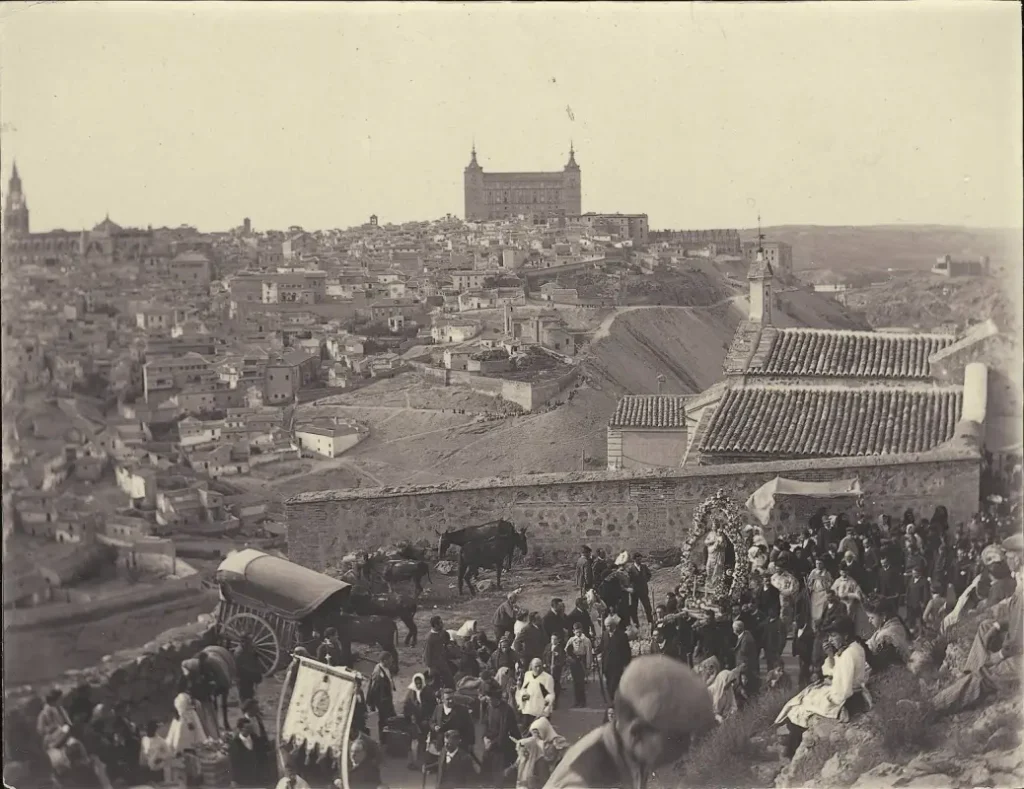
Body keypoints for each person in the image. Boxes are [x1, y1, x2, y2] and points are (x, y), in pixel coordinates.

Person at [546, 655, 716, 789]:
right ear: (638, 733)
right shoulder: (585, 780)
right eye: (679, 738)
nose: (686, 749)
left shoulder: (628, 746)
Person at [775, 617, 872, 759]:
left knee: (802, 704)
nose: (830, 640)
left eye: (833, 636)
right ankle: (792, 744)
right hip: (854, 696)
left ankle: (793, 750)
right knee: (805, 697)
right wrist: (831, 657)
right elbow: (836, 672)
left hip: (849, 702)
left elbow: (842, 692)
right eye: (829, 636)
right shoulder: (854, 648)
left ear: (845, 636)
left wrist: (828, 693)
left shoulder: (848, 655)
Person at [482, 681, 520, 787]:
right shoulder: (490, 707)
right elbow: (486, 724)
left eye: (489, 699)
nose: (487, 700)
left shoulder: (507, 711)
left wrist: (492, 744)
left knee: (501, 778)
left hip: (504, 746)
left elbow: (504, 732)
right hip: (491, 744)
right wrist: (485, 738)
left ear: (495, 698)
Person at [429, 687, 476, 757]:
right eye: (448, 699)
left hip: (457, 746)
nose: (451, 701)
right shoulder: (438, 708)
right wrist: (435, 726)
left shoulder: (462, 710)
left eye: (452, 698)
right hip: (441, 745)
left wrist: (470, 744)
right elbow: (432, 721)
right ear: (442, 700)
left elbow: (470, 728)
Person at [365, 652, 399, 744]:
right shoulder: (378, 674)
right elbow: (374, 690)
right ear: (384, 661)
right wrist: (374, 704)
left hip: (387, 699)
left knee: (389, 719)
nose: (391, 662)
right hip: (382, 701)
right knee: (385, 720)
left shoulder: (385, 668)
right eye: (389, 660)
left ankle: (387, 738)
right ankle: (384, 740)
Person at [228, 716, 271, 788]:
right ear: (240, 729)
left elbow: (262, 752)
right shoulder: (234, 743)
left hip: (257, 776)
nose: (250, 730)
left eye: (251, 728)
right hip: (243, 778)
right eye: (247, 728)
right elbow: (233, 762)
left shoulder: (255, 737)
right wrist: (233, 780)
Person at [601, 616, 633, 700]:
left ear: (614, 625)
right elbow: (602, 647)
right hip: (607, 664)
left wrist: (627, 664)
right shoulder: (604, 634)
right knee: (608, 683)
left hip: (617, 665)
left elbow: (627, 651)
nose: (608, 628)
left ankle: (615, 700)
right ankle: (612, 699)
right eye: (606, 626)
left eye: (609, 626)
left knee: (614, 684)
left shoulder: (622, 635)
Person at [518, 657, 555, 727]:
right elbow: (523, 689)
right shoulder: (527, 675)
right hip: (528, 709)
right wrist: (523, 696)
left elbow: (550, 694)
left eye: (539, 666)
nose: (538, 669)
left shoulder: (548, 678)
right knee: (526, 733)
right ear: (531, 666)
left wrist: (546, 708)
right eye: (536, 666)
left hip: (541, 711)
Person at [566, 622, 593, 708]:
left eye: (579, 631)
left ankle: (582, 701)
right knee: (575, 682)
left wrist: (588, 665)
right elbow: (566, 649)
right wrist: (570, 656)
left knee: (581, 682)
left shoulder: (586, 640)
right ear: (573, 631)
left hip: (582, 661)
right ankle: (576, 701)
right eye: (576, 632)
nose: (578, 633)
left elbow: (589, 653)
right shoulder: (571, 640)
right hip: (574, 662)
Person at [425, 616, 456, 690]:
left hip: (443, 661)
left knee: (449, 680)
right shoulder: (430, 638)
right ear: (435, 625)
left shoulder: (442, 632)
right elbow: (427, 654)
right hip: (435, 665)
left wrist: (449, 644)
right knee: (436, 683)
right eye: (440, 623)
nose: (442, 624)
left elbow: (446, 639)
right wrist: (430, 667)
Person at [733, 619, 760, 701]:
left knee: (746, 688)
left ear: (737, 630)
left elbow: (744, 652)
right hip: (743, 666)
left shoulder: (746, 639)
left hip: (745, 667)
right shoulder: (745, 635)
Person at [233, 634, 263, 705]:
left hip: (248, 677)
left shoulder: (248, 649)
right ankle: (246, 711)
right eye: (248, 642)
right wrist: (255, 674)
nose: (250, 643)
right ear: (242, 642)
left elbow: (254, 660)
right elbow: (242, 668)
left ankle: (251, 710)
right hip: (242, 678)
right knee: (245, 695)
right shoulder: (239, 653)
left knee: (250, 693)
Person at [138, 720, 171, 784]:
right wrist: (142, 763)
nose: (150, 730)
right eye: (149, 728)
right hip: (146, 769)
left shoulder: (161, 741)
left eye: (152, 728)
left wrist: (160, 758)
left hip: (157, 769)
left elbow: (168, 753)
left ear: (155, 729)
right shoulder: (144, 739)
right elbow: (142, 753)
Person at [628, 553, 654, 631]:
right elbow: (628, 580)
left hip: (643, 590)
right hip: (635, 592)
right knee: (634, 608)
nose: (640, 560)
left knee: (648, 607)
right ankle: (636, 624)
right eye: (638, 559)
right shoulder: (630, 568)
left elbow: (649, 575)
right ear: (634, 559)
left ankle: (650, 622)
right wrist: (632, 586)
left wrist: (645, 580)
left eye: (640, 559)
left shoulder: (644, 567)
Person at [542, 634, 567, 710]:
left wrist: (557, 664)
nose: (553, 640)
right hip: (548, 668)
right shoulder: (548, 646)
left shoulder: (560, 648)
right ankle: (547, 701)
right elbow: (544, 655)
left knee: (555, 685)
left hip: (556, 670)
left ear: (558, 640)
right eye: (552, 639)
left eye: (555, 639)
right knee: (547, 685)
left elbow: (562, 659)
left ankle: (555, 702)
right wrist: (544, 664)